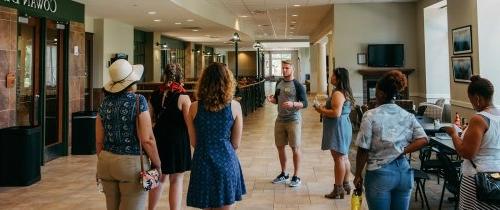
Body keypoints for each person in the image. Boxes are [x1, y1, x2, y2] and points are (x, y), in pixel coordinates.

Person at [353, 70, 428, 210]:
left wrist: (357, 174)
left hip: (380, 174)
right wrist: (402, 151)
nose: (375, 95)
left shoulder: (370, 115)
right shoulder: (407, 115)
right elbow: (423, 139)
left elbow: (363, 149)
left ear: (381, 93)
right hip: (404, 174)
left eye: (376, 92)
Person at [96, 59, 161, 210]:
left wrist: (102, 162)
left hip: (106, 162)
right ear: (132, 82)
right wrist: (157, 163)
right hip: (131, 165)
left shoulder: (104, 103)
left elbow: (99, 140)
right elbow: (147, 139)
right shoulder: (139, 101)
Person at [186, 62, 246, 209]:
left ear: (204, 82)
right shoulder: (235, 106)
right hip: (226, 161)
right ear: (228, 83)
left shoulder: (194, 107)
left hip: (202, 162)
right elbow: (236, 143)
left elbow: (194, 141)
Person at [442, 75, 500, 209]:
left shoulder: (479, 119)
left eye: (471, 100)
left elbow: (466, 153)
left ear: (477, 98)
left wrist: (453, 134)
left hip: (478, 178)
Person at [148, 67, 191, 210]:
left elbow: (150, 119)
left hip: (158, 138)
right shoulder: (183, 97)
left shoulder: (154, 94)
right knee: (176, 179)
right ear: (181, 77)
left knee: (157, 177)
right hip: (178, 140)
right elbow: (188, 123)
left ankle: (151, 208)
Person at [313, 67, 354, 199]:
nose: (330, 77)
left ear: (338, 78)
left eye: (333, 75)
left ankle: (338, 189)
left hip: (338, 127)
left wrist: (320, 110)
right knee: (344, 157)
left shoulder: (337, 93)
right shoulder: (345, 91)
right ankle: (346, 184)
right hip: (344, 126)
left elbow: (336, 113)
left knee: (339, 158)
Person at [267, 60, 308, 187]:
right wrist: (271, 100)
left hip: (293, 120)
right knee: (280, 147)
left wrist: (294, 104)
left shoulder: (298, 85)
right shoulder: (279, 83)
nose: (284, 70)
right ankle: (284, 173)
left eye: (287, 68)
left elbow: (305, 103)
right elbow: (276, 99)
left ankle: (296, 176)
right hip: (280, 119)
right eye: (283, 68)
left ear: (292, 69)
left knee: (295, 148)